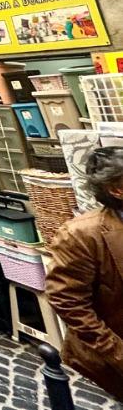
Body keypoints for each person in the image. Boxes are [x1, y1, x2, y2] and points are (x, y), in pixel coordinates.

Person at [45, 146, 123, 401]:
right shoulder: (81, 234)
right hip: (106, 366)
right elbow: (68, 302)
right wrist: (117, 353)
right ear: (116, 189)